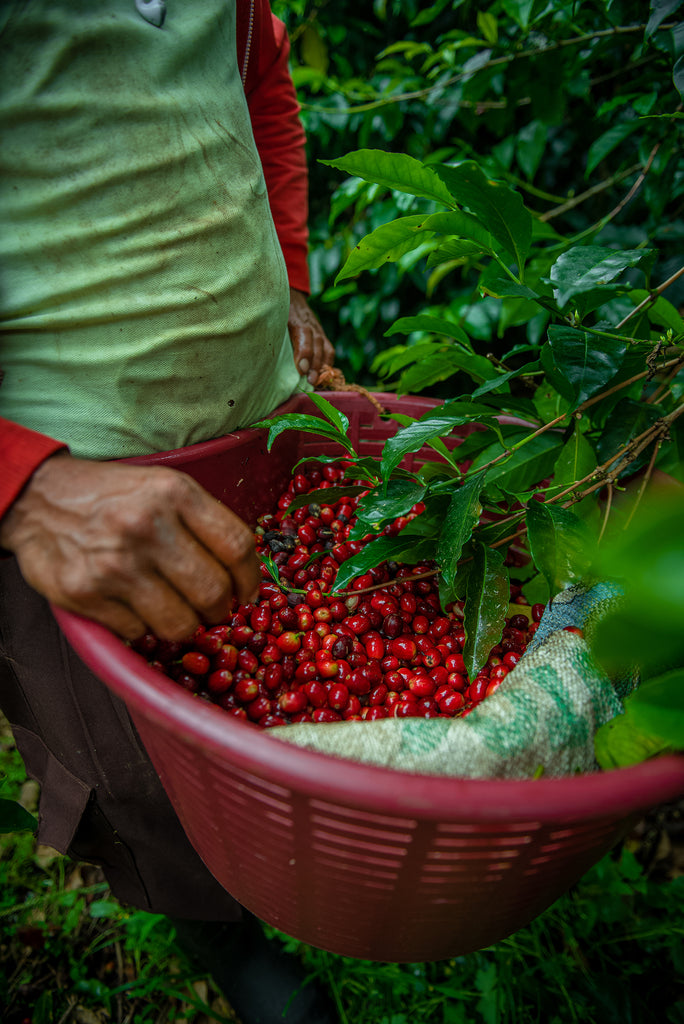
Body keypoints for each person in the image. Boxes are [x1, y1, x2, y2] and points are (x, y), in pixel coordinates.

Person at [0, 2, 338, 1021]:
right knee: (133, 761)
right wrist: (25, 485)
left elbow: (259, 85)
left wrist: (284, 269)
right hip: (73, 479)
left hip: (258, 426)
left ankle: (282, 850)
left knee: (261, 667)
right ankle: (219, 930)